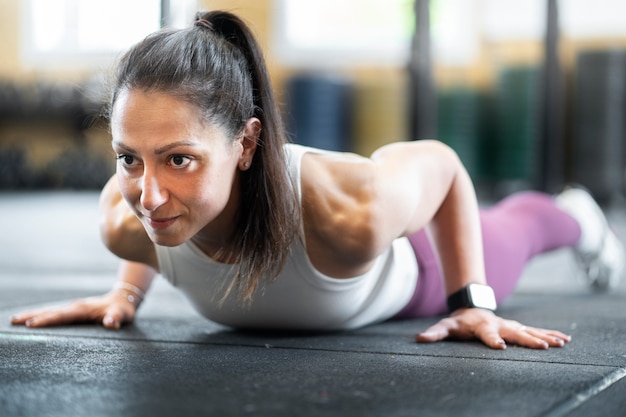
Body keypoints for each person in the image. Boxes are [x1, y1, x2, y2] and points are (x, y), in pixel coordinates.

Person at [10, 11, 625, 350]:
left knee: (521, 226)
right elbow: (145, 212)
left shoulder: (349, 211)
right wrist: (127, 294)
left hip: (418, 270)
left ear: (246, 143)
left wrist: (470, 302)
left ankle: (577, 213)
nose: (147, 194)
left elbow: (442, 166)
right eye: (128, 158)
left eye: (179, 159)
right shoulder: (126, 220)